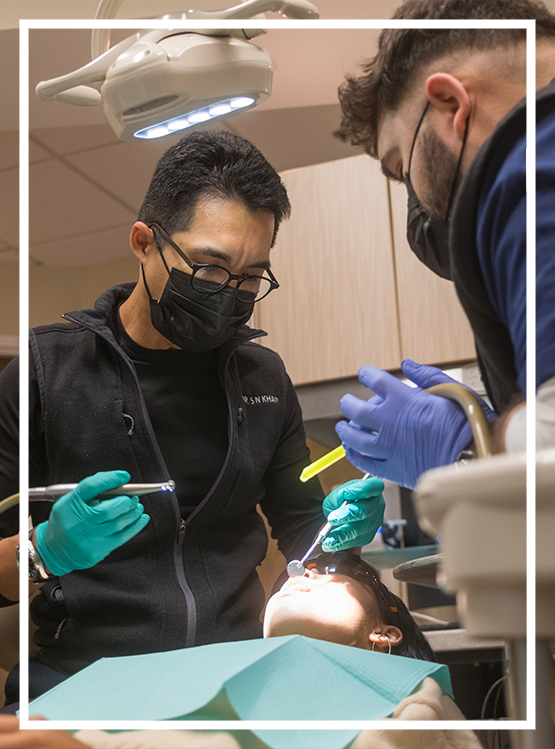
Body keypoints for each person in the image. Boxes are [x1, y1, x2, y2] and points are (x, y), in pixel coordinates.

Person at [0, 130, 386, 704]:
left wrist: (340, 531)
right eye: (209, 267)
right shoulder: (42, 373)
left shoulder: (263, 380)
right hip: (80, 694)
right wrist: (42, 551)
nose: (229, 293)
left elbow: (307, 532)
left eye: (251, 276)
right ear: (143, 243)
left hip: (231, 687)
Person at [334, 0, 555, 489]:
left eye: (400, 167)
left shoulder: (529, 168)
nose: (420, 207)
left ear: (451, 104)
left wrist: (469, 444)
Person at [0, 553, 483, 749]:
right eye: (294, 574)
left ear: (386, 633)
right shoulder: (195, 674)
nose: (302, 573)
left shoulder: (412, 704)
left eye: (332, 575)